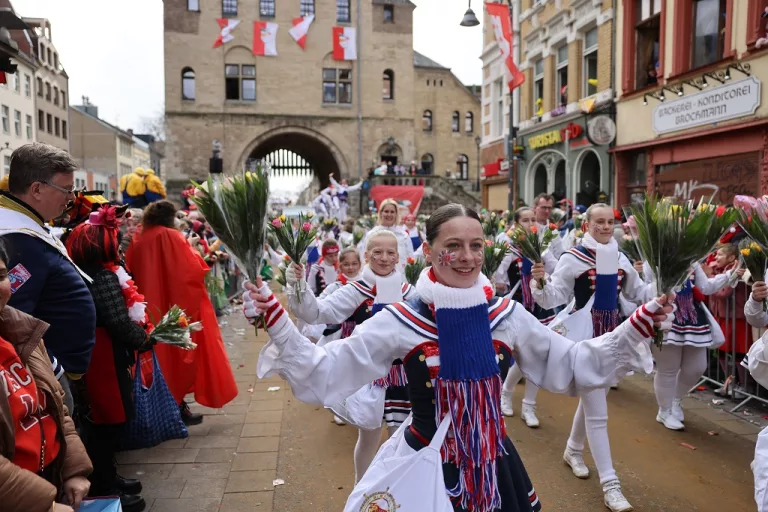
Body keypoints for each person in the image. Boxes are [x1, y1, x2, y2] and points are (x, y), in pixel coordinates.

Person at [244, 203, 673, 512]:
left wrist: (638, 321)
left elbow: (573, 365)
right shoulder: (403, 321)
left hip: (494, 464)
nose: (467, 257)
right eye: (453, 245)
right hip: (425, 462)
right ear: (428, 252)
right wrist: (279, 319)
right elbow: (327, 370)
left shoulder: (506, 315)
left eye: (475, 245)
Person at [530, 203, 650, 512]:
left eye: (610, 221)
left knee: (594, 396)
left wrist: (667, 281)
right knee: (598, 410)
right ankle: (611, 484)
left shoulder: (621, 257)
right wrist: (540, 282)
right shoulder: (574, 258)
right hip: (585, 338)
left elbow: (639, 294)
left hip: (614, 338)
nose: (606, 226)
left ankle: (573, 449)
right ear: (587, 225)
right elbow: (553, 297)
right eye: (599, 221)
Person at [283, 230, 416, 482]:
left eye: (390, 253)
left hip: (404, 376)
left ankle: (397, 495)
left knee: (402, 438)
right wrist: (298, 285)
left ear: (398, 257)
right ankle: (360, 489)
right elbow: (316, 313)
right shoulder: (356, 290)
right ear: (367, 255)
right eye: (377, 252)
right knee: (369, 437)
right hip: (368, 373)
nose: (384, 258)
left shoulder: (410, 293)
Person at [65, 206, 152, 512]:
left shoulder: (97, 272)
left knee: (107, 422)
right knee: (107, 422)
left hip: (101, 350)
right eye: (114, 238)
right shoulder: (101, 276)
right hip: (103, 354)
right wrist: (145, 338)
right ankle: (105, 485)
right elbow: (116, 320)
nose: (119, 242)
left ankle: (110, 476)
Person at [0, 143, 96, 416]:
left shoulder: (27, 229)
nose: (72, 198)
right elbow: (13, 319)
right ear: (37, 189)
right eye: (66, 189)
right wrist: (51, 370)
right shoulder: (15, 239)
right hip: (47, 380)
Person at [0, 239, 94, 512]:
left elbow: (55, 405)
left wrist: (73, 468)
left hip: (47, 481)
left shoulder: (22, 332)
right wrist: (43, 504)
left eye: (2, 276)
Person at [125, 200, 237, 424]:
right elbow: (193, 269)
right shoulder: (172, 237)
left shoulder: (139, 239)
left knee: (157, 358)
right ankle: (174, 408)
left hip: (148, 308)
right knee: (175, 358)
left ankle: (164, 407)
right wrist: (193, 248)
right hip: (172, 308)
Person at [494, 207, 558, 428]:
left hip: (540, 306)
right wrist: (502, 284)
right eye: (525, 220)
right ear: (515, 224)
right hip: (518, 306)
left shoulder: (542, 246)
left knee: (538, 354)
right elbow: (498, 275)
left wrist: (543, 276)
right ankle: (506, 392)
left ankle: (529, 404)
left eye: (533, 219)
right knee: (520, 354)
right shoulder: (509, 247)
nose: (531, 222)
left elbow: (555, 270)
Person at [709, 244, 751, 396]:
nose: (716, 258)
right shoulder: (718, 270)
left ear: (732, 258)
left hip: (737, 318)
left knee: (739, 353)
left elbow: (723, 292)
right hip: (721, 316)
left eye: (720, 255)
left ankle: (745, 387)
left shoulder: (738, 270)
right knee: (721, 351)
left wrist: (710, 278)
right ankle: (729, 383)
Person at [361, 198, 414, 271]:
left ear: (396, 214)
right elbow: (364, 258)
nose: (389, 214)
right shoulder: (371, 235)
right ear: (381, 213)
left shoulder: (404, 235)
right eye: (386, 211)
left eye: (392, 212)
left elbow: (411, 258)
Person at [532, 193, 564, 259]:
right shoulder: (528, 227)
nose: (547, 211)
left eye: (549, 208)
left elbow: (560, 254)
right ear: (535, 208)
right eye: (543, 207)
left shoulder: (554, 231)